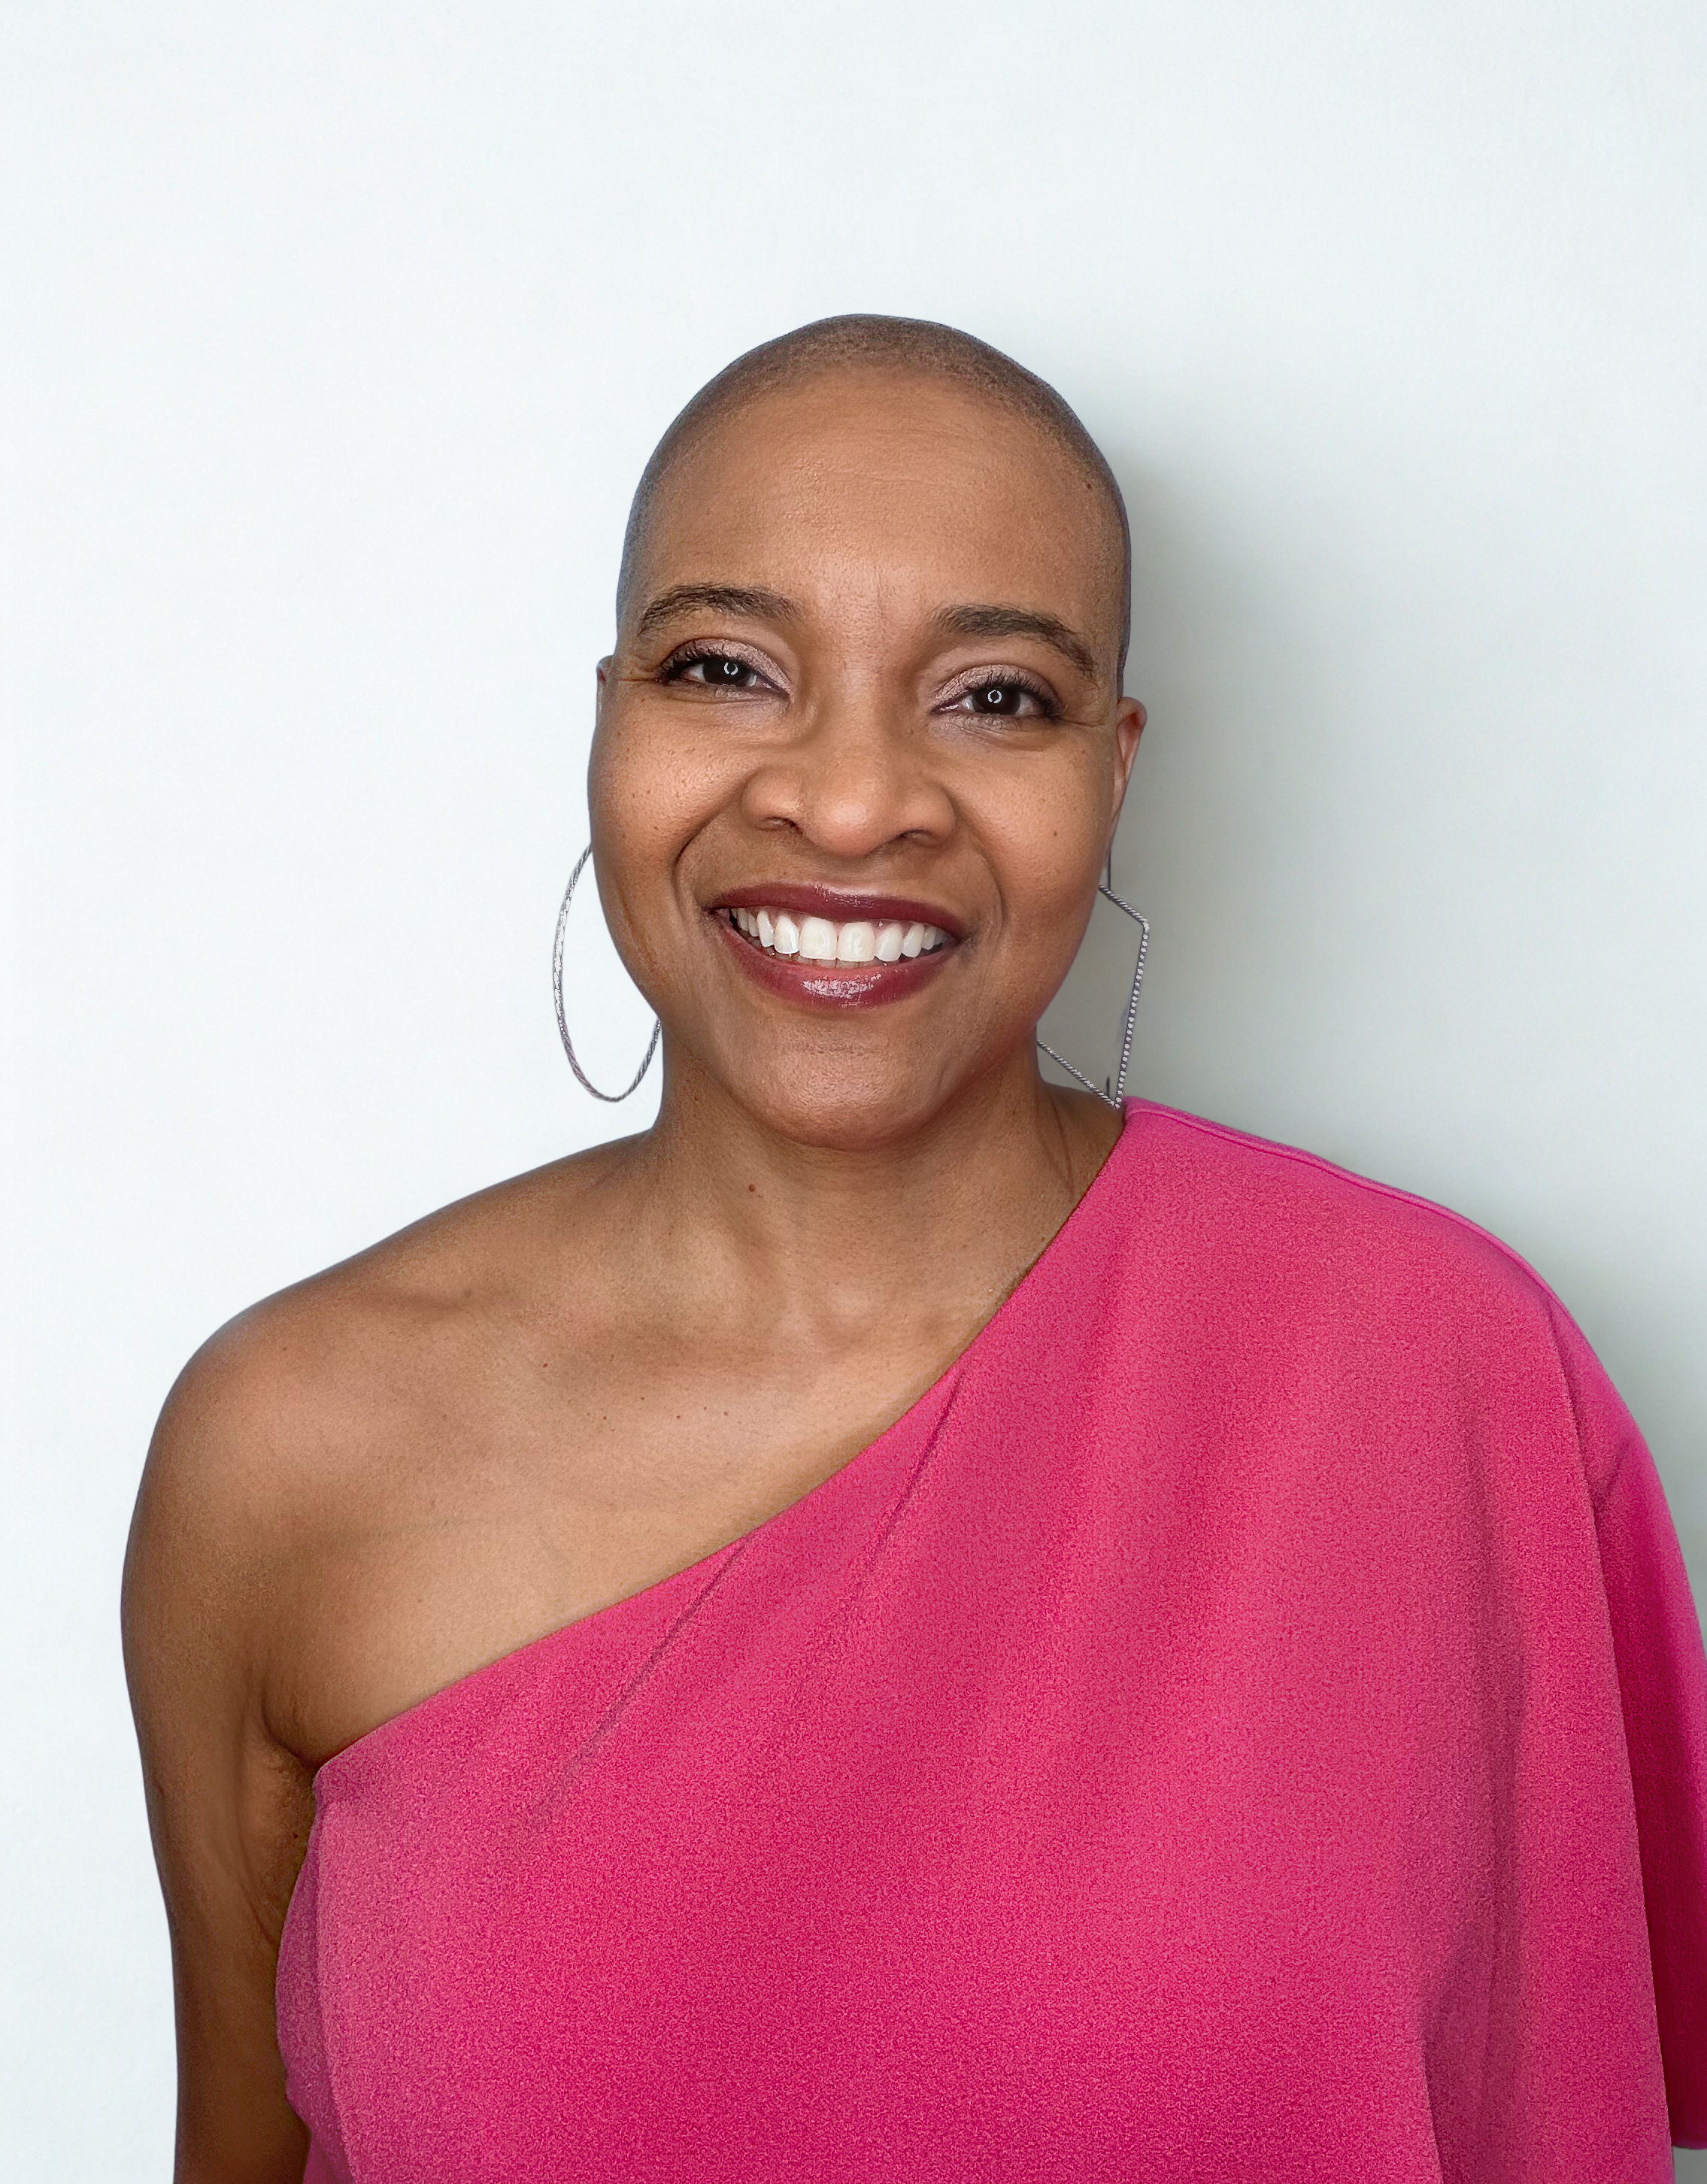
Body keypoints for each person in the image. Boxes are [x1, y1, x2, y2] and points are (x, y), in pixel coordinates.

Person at [123, 316, 1707, 2182]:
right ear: (610, 719)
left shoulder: (1445, 1375)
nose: (852, 798)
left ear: (1113, 768)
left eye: (995, 698)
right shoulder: (291, 1444)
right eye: (725, 668)